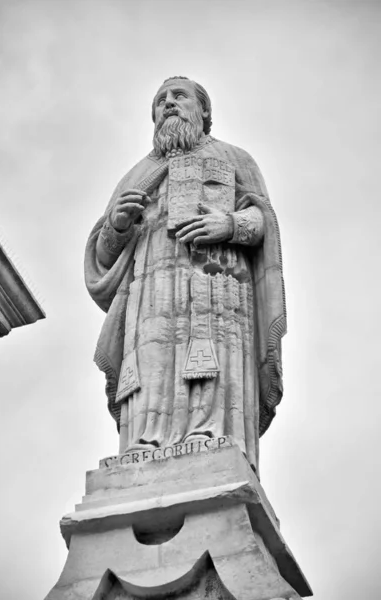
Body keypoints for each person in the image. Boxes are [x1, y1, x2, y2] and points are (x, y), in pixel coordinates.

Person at [85, 76, 286, 474]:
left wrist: (229, 224)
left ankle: (211, 434)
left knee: (211, 357)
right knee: (152, 363)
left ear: (204, 110)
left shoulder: (234, 157)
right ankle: (144, 441)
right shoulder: (137, 174)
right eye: (160, 100)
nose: (168, 104)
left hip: (217, 281)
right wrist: (117, 225)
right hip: (151, 289)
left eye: (179, 96)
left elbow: (264, 220)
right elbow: (104, 256)